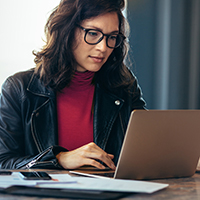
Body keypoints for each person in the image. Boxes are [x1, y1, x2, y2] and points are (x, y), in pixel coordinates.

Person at [0, 0, 146, 170]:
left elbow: (145, 151)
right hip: (46, 195)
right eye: (93, 33)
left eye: (112, 37)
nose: (103, 47)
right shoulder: (19, 89)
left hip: (109, 194)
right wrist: (59, 159)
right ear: (66, 31)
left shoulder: (124, 86)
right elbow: (3, 162)